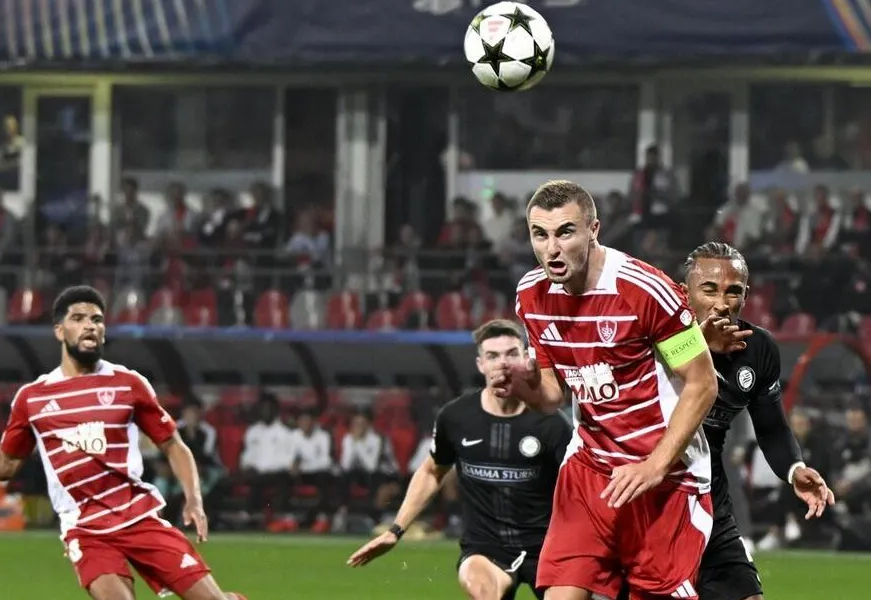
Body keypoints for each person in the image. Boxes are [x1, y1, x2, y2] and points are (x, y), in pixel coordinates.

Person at [502, 180, 723, 600]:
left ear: (594, 230)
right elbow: (551, 395)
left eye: (566, 232)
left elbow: (703, 382)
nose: (552, 248)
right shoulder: (531, 295)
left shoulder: (645, 290)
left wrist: (654, 466)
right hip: (590, 471)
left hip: (666, 479)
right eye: (540, 234)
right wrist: (523, 384)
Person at [0, 286, 246, 600]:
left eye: (96, 319)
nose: (90, 325)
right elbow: (4, 463)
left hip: (138, 516)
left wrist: (194, 498)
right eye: (78, 318)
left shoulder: (128, 384)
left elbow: (172, 444)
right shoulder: (33, 398)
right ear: (59, 330)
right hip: (85, 529)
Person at [348, 319, 572, 600]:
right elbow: (432, 472)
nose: (502, 363)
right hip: (486, 549)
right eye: (492, 356)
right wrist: (395, 530)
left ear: (526, 359)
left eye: (511, 354)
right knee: (483, 590)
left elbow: (579, 487)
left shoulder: (552, 423)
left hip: (549, 547)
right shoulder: (456, 417)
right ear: (480, 364)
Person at [678, 241, 834, 600]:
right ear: (685, 293)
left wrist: (794, 469)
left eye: (733, 291)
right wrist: (699, 346)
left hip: (707, 491)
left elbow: (771, 425)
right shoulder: (659, 337)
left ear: (746, 296)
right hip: (648, 493)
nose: (722, 303)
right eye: (709, 289)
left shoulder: (759, 349)